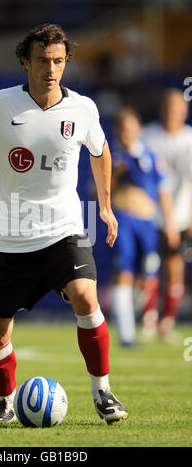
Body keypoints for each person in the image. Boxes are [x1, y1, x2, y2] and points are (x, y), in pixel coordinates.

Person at [0, 23, 128, 425]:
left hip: (64, 229)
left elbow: (101, 150)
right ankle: (5, 404)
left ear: (66, 62)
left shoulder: (83, 109)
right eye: (42, 61)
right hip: (9, 237)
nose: (51, 69)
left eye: (58, 61)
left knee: (86, 298)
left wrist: (105, 207)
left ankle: (103, 392)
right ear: (26, 62)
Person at [110, 108, 179, 346]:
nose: (127, 133)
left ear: (138, 129)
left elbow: (163, 190)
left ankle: (133, 313)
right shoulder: (111, 155)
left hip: (148, 224)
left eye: (131, 128)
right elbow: (95, 189)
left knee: (148, 276)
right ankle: (126, 334)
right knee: (124, 273)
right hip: (124, 221)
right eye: (123, 128)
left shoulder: (150, 156)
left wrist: (170, 222)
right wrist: (115, 176)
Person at [142, 89, 192, 342]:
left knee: (175, 268)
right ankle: (149, 320)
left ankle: (167, 323)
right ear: (164, 109)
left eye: (179, 107)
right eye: (170, 107)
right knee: (149, 268)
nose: (175, 112)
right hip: (151, 217)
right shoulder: (148, 137)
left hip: (181, 216)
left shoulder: (190, 139)